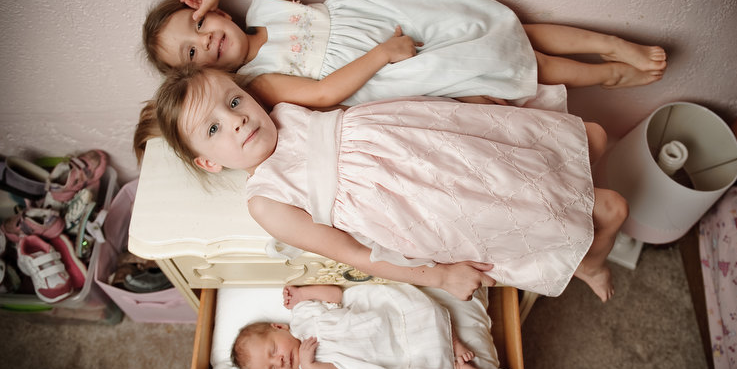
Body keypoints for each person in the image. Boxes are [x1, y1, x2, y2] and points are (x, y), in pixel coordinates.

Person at [147, 66, 628, 302]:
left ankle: (581, 231)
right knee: (588, 209)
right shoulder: (266, 200)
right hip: (417, 204)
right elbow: (354, 254)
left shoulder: (279, 105)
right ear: (209, 163)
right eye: (213, 129)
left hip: (425, 141)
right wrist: (438, 275)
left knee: (585, 142)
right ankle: (590, 259)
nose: (235, 121)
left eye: (232, 102)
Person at [143, 0, 666, 108]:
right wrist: (383, 55)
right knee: (514, 62)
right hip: (390, 67)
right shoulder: (259, 81)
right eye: (191, 55)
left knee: (509, 28)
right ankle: (609, 76)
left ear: (219, 11)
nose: (204, 40)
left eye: (198, 23)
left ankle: (610, 43)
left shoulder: (267, 9)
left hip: (395, 15)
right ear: (200, 76)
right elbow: (325, 92)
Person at [231, 284, 484, 369]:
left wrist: (302, 294)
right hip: (373, 361)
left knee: (420, 314)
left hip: (375, 326)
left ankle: (455, 343)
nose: (281, 361)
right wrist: (311, 367)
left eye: (273, 351)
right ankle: (455, 368)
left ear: (279, 327)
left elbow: (336, 296)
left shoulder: (302, 318)